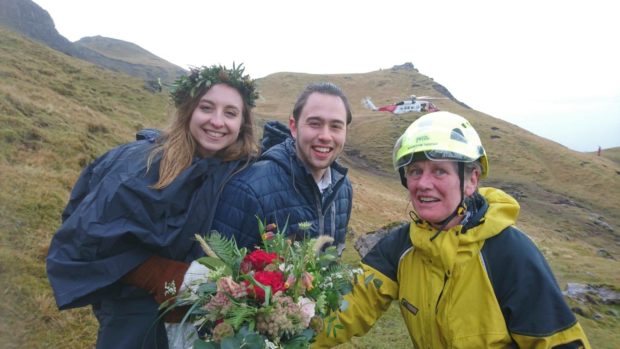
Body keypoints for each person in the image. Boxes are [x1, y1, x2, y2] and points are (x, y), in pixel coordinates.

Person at [312, 111, 591, 348]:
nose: (423, 184)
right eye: (415, 171)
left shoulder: (510, 254)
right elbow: (347, 308)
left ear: (471, 180)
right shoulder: (401, 247)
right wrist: (286, 327)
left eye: (439, 171)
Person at [46, 64, 259, 349]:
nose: (217, 122)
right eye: (206, 108)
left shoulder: (239, 168)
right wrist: (164, 276)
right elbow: (90, 237)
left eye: (230, 113)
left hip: (195, 314)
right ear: (188, 111)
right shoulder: (144, 164)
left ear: (243, 122)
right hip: (134, 310)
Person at [212, 82, 353, 254]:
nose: (325, 136)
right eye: (315, 123)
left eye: (336, 126)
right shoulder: (248, 190)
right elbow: (216, 271)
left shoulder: (344, 187)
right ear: (293, 127)